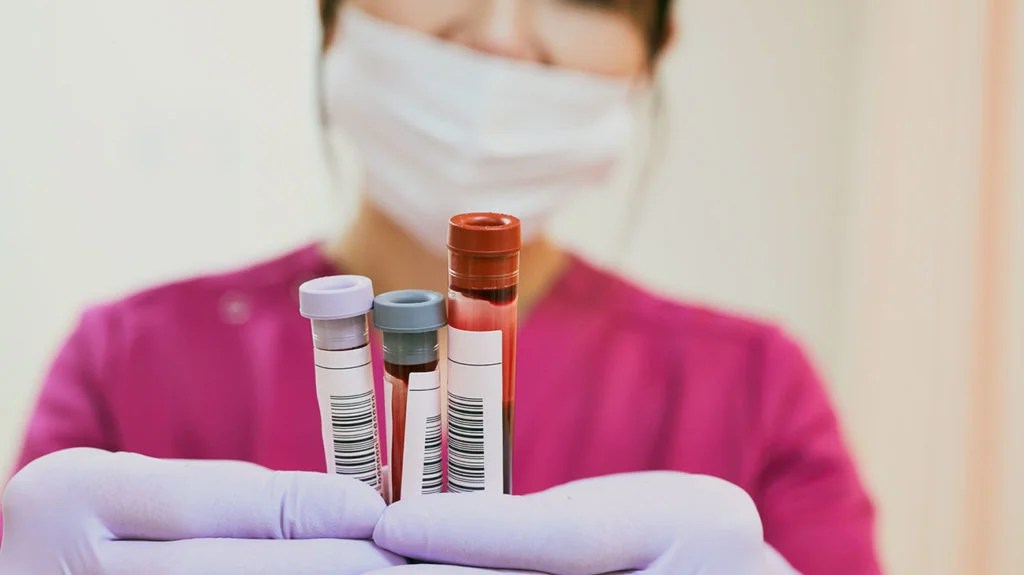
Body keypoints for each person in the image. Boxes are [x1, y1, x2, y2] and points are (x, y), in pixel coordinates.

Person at [0, 1, 881, 573]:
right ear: (331, 15)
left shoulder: (756, 386)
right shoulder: (128, 357)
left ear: (652, 52)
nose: (500, 35)